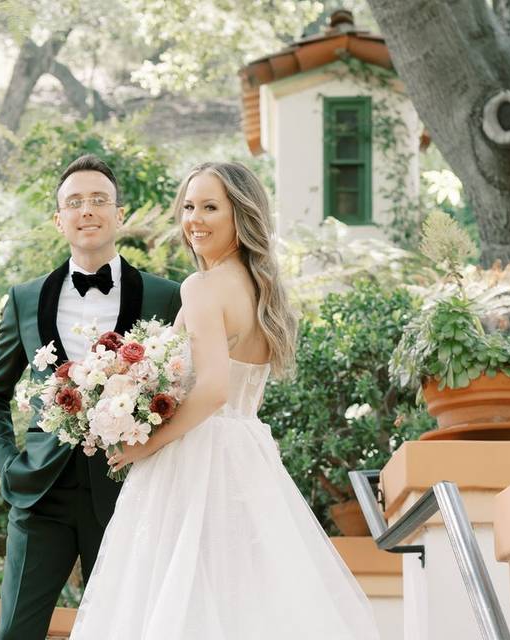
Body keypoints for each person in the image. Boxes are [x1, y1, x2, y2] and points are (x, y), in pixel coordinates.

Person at [69, 162, 381, 639]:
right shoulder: (261, 291)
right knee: (245, 599)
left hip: (195, 458)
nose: (194, 218)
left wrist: (145, 444)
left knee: (179, 600)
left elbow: (213, 389)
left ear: (241, 214)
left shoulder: (202, 287)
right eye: (189, 206)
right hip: (248, 454)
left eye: (210, 207)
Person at [0, 154, 182, 640]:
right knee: (16, 633)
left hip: (129, 490)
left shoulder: (166, 297)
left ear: (119, 213)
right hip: (42, 492)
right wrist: (9, 465)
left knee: (123, 630)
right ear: (59, 219)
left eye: (98, 200)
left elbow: (182, 393)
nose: (87, 210)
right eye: (75, 202)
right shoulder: (25, 298)